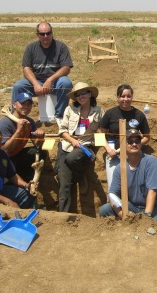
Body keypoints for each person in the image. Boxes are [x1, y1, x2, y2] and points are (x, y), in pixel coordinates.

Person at [56, 82, 106, 215]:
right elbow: (62, 130)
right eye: (77, 94)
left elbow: (102, 130)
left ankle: (82, 176)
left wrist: (101, 147)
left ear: (90, 94)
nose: (81, 96)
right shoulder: (69, 109)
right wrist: (72, 140)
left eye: (83, 93)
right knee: (65, 185)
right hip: (67, 145)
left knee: (72, 158)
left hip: (85, 146)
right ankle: (64, 217)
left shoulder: (99, 111)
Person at [12, 22, 73, 125]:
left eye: (48, 33)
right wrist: (35, 84)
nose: (45, 36)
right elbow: (26, 68)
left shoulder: (61, 47)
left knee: (66, 83)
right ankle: (15, 118)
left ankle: (59, 116)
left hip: (55, 82)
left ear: (52, 33)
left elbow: (66, 68)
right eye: (42, 34)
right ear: (37, 35)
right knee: (18, 86)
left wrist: (50, 80)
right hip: (36, 82)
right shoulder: (31, 48)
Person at [99, 129, 157, 222]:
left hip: (155, 208)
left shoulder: (151, 161)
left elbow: (153, 191)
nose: (134, 144)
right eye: (130, 142)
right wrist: (123, 215)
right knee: (105, 209)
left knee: (150, 231)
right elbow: (112, 195)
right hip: (133, 207)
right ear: (123, 145)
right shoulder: (120, 168)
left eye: (137, 141)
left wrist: (146, 219)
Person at [99, 84, 151, 189]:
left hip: (133, 155)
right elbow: (100, 134)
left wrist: (135, 145)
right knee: (114, 187)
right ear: (117, 97)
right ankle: (113, 205)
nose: (125, 99)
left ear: (132, 97)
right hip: (113, 155)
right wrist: (108, 149)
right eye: (122, 96)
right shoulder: (110, 114)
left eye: (128, 96)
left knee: (132, 186)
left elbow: (147, 137)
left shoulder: (139, 115)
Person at [0, 92, 46, 182]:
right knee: (6, 181)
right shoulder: (5, 123)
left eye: (29, 104)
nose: (26, 107)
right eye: (22, 103)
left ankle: (27, 179)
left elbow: (37, 145)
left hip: (17, 155)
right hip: (3, 158)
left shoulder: (30, 122)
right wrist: (18, 131)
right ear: (14, 105)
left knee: (41, 153)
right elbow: (5, 150)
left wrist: (40, 137)